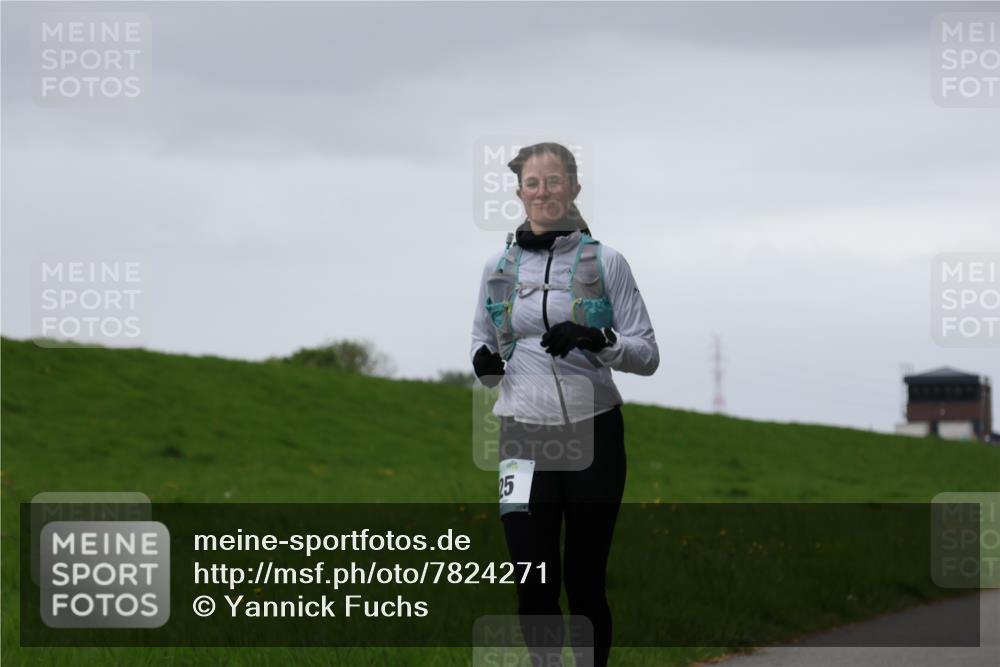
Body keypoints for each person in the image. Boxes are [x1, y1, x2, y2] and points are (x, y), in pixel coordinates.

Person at [470, 142, 659, 666]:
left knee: (584, 581)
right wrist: (484, 365)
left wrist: (598, 339)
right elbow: (480, 340)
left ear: (573, 188)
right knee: (532, 582)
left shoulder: (607, 262)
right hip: (520, 435)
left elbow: (647, 355)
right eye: (533, 184)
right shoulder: (497, 267)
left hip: (593, 433)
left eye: (554, 182)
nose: (543, 192)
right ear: (519, 193)